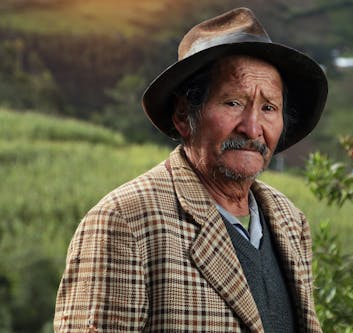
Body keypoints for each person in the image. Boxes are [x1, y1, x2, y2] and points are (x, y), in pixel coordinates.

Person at [54, 7, 328, 333]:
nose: (253, 127)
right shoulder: (123, 221)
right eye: (233, 103)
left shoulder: (289, 221)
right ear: (184, 116)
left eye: (269, 108)